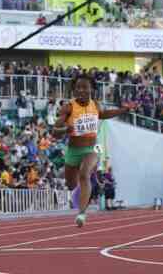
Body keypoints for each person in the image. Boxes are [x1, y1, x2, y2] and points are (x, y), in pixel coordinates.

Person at [52, 74, 137, 228]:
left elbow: (103, 114)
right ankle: (78, 191)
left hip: (92, 148)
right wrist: (66, 129)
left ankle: (82, 213)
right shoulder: (68, 107)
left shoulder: (95, 105)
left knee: (84, 175)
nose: (81, 90)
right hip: (73, 150)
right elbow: (54, 132)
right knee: (71, 185)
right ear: (74, 89)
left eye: (85, 87)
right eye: (78, 87)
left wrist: (123, 110)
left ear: (91, 89)